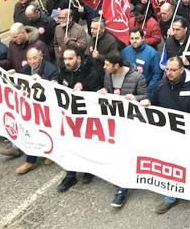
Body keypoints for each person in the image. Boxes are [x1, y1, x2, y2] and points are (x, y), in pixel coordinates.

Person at [143, 56, 190, 214]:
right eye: (167, 69)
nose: (169, 73)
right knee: (170, 163)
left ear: (182, 70)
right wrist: (149, 103)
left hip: (189, 136)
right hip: (168, 135)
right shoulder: (161, 85)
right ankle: (170, 197)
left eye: (173, 70)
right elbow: (155, 102)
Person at [98, 52, 149, 208]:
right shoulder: (108, 75)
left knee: (127, 154)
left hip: (131, 123)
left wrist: (134, 98)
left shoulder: (137, 77)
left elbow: (146, 96)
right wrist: (103, 92)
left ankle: (123, 189)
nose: (104, 67)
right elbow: (107, 90)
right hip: (114, 122)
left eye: (107, 64)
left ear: (117, 66)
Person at [56, 47, 104, 192]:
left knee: (87, 144)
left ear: (78, 59)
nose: (67, 62)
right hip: (69, 116)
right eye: (65, 59)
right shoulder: (63, 71)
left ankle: (88, 169)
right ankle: (70, 175)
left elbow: (96, 96)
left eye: (70, 59)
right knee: (69, 145)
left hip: (87, 117)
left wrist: (82, 92)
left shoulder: (90, 72)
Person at [15, 48, 60, 174]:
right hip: (31, 108)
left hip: (46, 108)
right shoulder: (25, 70)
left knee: (48, 132)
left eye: (35, 58)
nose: (32, 61)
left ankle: (50, 154)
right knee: (30, 132)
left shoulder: (51, 70)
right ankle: (30, 160)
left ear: (41, 56)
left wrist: (41, 82)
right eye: (29, 58)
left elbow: (54, 90)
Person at [160, 17, 190, 84]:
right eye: (173, 29)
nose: (174, 33)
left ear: (185, 29)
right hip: (173, 83)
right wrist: (173, 66)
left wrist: (189, 64)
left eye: (178, 30)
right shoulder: (168, 42)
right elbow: (162, 64)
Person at [122, 29, 162, 95]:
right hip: (127, 90)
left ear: (143, 38)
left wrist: (149, 89)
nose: (134, 41)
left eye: (137, 38)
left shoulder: (152, 53)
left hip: (145, 90)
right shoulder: (125, 51)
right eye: (132, 38)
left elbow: (157, 74)